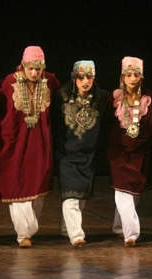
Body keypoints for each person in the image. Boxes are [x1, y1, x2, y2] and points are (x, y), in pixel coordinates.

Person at [0, 46, 60, 247]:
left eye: (38, 68)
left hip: (40, 142)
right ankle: (23, 233)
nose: (34, 73)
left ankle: (28, 232)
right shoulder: (10, 82)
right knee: (17, 183)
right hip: (15, 141)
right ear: (23, 65)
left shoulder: (49, 81)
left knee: (37, 184)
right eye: (30, 68)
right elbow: (1, 111)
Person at [52, 60, 107, 247]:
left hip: (88, 155)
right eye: (81, 77)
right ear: (74, 78)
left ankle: (66, 229)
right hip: (66, 154)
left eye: (89, 77)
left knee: (80, 197)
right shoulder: (61, 96)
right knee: (71, 197)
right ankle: (77, 236)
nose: (85, 82)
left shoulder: (101, 97)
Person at [108, 56, 152, 246]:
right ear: (122, 77)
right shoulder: (114, 97)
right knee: (122, 193)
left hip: (139, 150)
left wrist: (137, 142)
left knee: (132, 192)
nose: (132, 79)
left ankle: (119, 227)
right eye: (128, 75)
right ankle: (131, 234)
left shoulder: (148, 99)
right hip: (118, 151)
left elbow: (150, 127)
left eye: (136, 75)